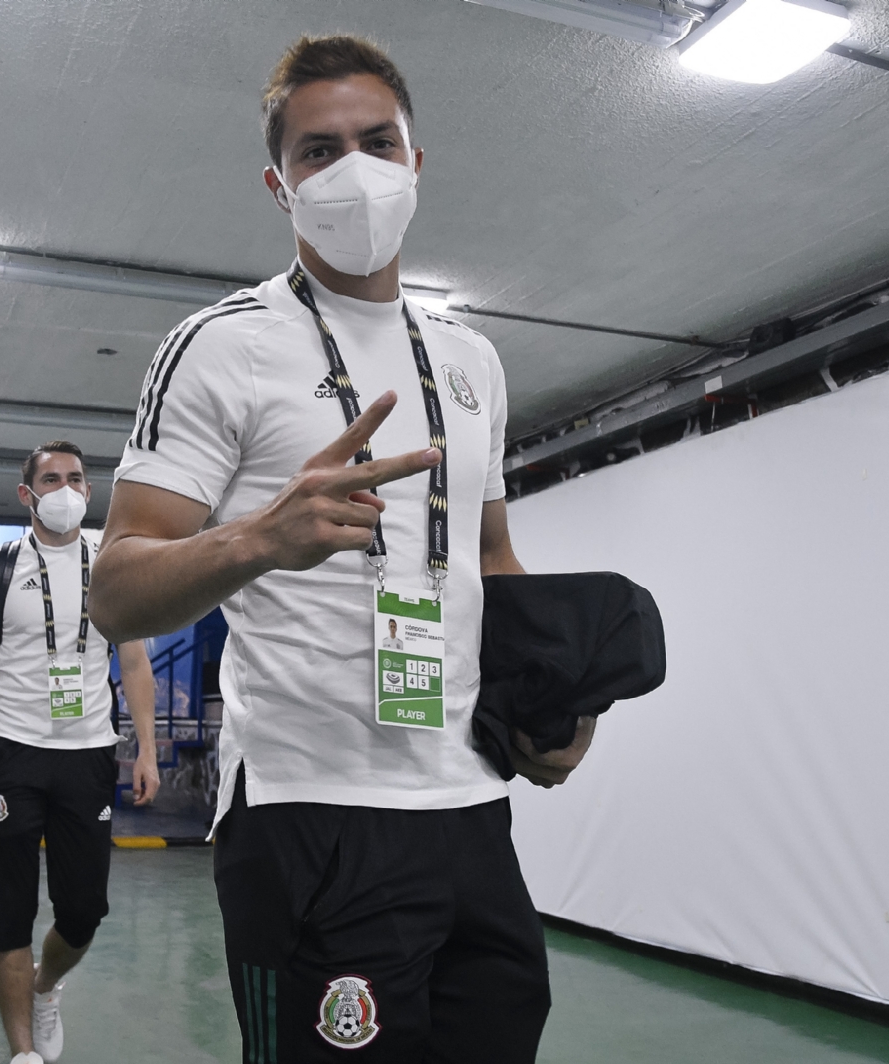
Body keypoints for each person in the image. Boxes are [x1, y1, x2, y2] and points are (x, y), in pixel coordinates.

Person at [89, 36, 597, 1063]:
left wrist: (551, 698)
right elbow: (116, 589)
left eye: (377, 141)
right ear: (280, 185)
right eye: (320, 152)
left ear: (415, 162)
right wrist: (260, 538)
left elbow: (490, 554)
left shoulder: (470, 358)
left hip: (469, 804)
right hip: (307, 808)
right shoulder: (224, 344)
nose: (353, 170)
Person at [0, 440, 163, 1064]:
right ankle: (23, 1053)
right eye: (51, 479)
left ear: (89, 492)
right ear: (26, 494)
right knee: (8, 914)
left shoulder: (115, 566)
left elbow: (136, 662)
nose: (65, 490)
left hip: (88, 754)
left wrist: (146, 750)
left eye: (75, 479)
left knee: (85, 909)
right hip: (12, 751)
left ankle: (45, 984)